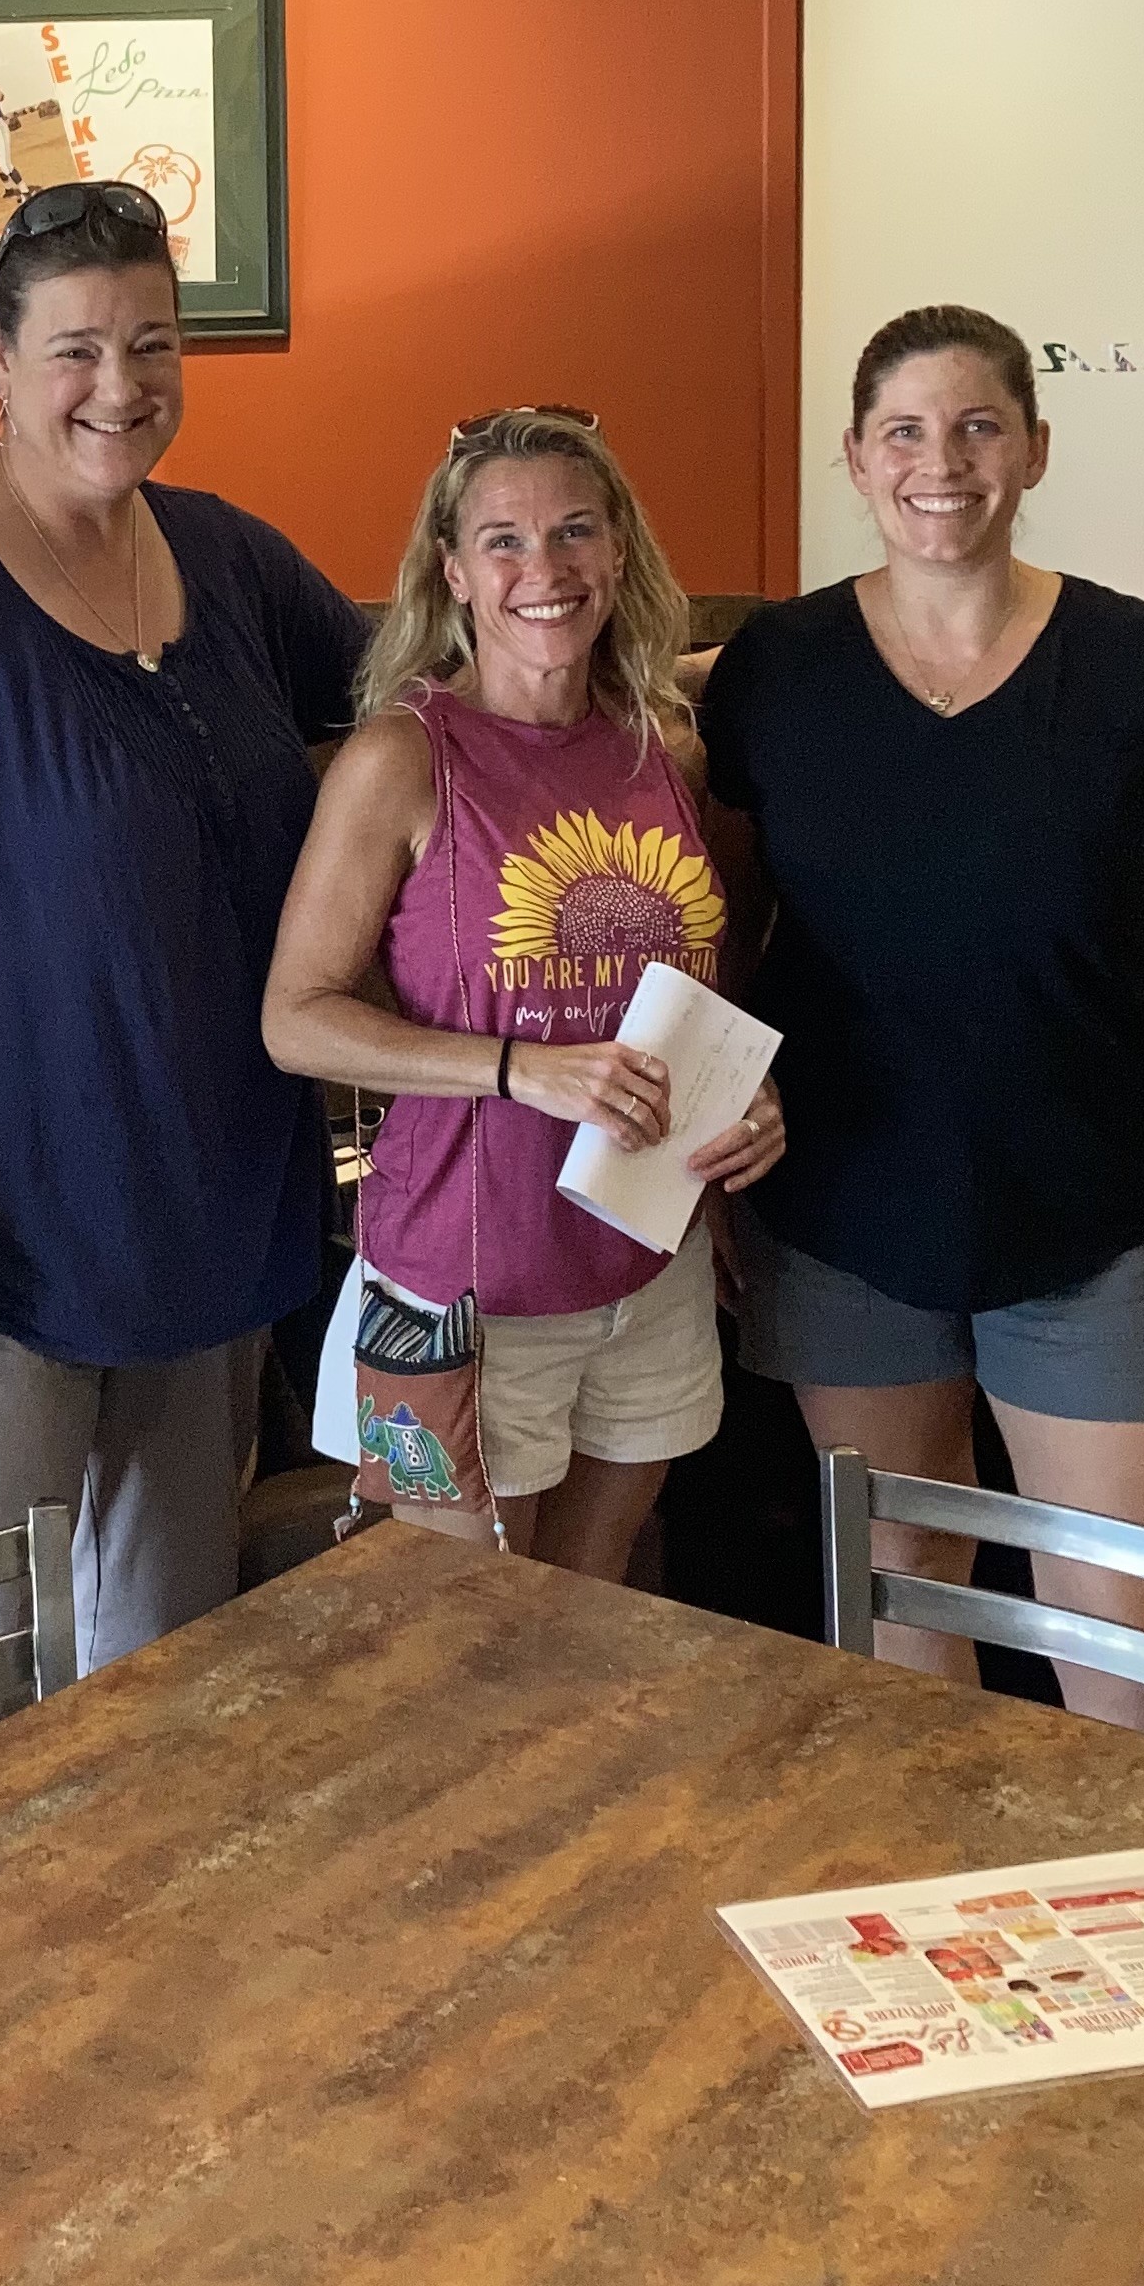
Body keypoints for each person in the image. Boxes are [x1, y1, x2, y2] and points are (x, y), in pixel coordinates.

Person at [0, 181, 368, 1782]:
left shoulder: (227, 557)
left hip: (201, 1210)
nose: (122, 384)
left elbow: (405, 710)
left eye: (153, 343)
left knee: (166, 1670)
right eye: (77, 350)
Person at [701, 303, 1144, 1748]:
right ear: (854, 459)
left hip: (1105, 1223)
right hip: (842, 1223)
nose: (940, 464)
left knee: (1129, 1653)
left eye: (977, 427)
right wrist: (705, 1183)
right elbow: (726, 942)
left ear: (1035, 451)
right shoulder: (774, 671)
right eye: (903, 432)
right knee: (898, 1614)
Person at [263, 408, 785, 1581]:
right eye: (503, 540)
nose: (543, 568)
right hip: (459, 1286)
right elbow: (293, 1019)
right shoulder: (401, 758)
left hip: (647, 1269)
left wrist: (744, 1102)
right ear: (452, 571)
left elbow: (704, 984)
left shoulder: (665, 750)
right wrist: (517, 1069)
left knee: (591, 1616)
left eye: (573, 531)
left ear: (618, 551)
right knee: (460, 1642)